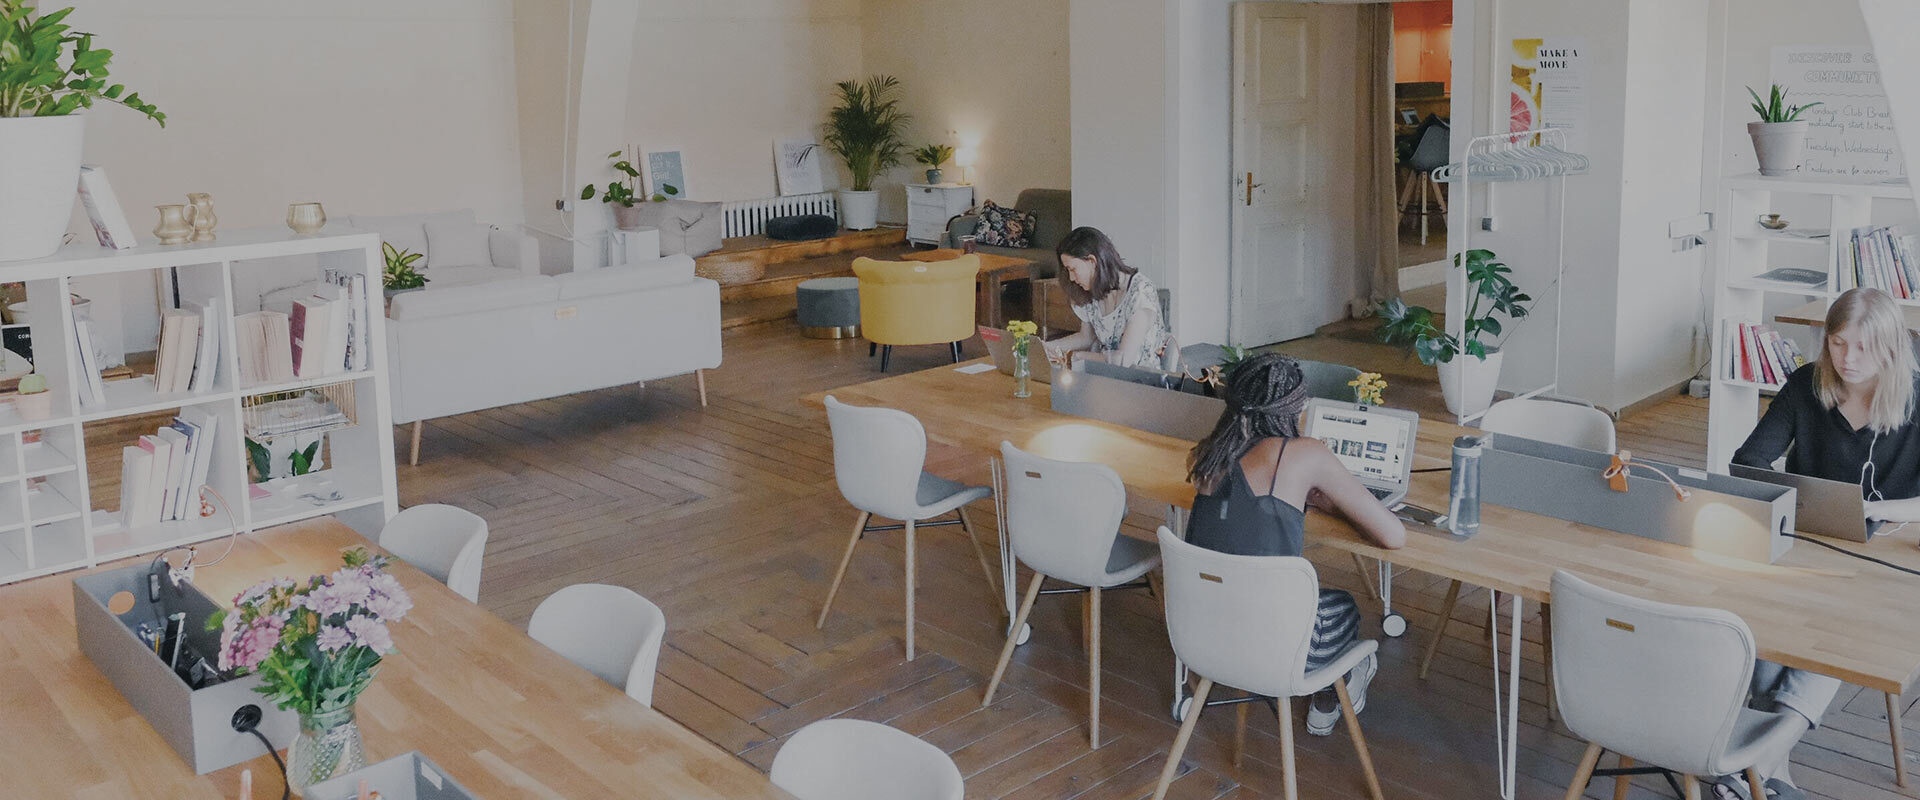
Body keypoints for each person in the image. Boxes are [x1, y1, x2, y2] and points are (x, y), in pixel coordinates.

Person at [1727, 287, 1920, 800]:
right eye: (1837, 344)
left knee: (1831, 634)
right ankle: (1770, 775)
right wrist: (1805, 504)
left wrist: (1873, 510)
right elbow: (1746, 462)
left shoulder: (1917, 396)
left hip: (1887, 562)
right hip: (1808, 543)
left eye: (1862, 348)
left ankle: (1747, 766)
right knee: (1767, 631)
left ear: (1891, 348)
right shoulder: (1806, 386)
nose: (1848, 360)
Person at [1183, 352, 1407, 736]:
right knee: (1345, 607)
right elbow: (1393, 535)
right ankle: (1328, 698)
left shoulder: (1207, 454)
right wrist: (1336, 506)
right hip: (1277, 649)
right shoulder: (1305, 454)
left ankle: (1328, 695)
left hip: (1202, 634)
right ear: (1296, 407)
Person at [1040, 226, 1175, 370]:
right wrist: (1047, 347)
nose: (1071, 277)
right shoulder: (1090, 291)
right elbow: (1086, 337)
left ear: (1092, 261)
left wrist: (1076, 356)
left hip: (1141, 383)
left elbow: (1123, 360)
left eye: (1072, 269)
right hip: (1104, 377)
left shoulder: (1140, 292)